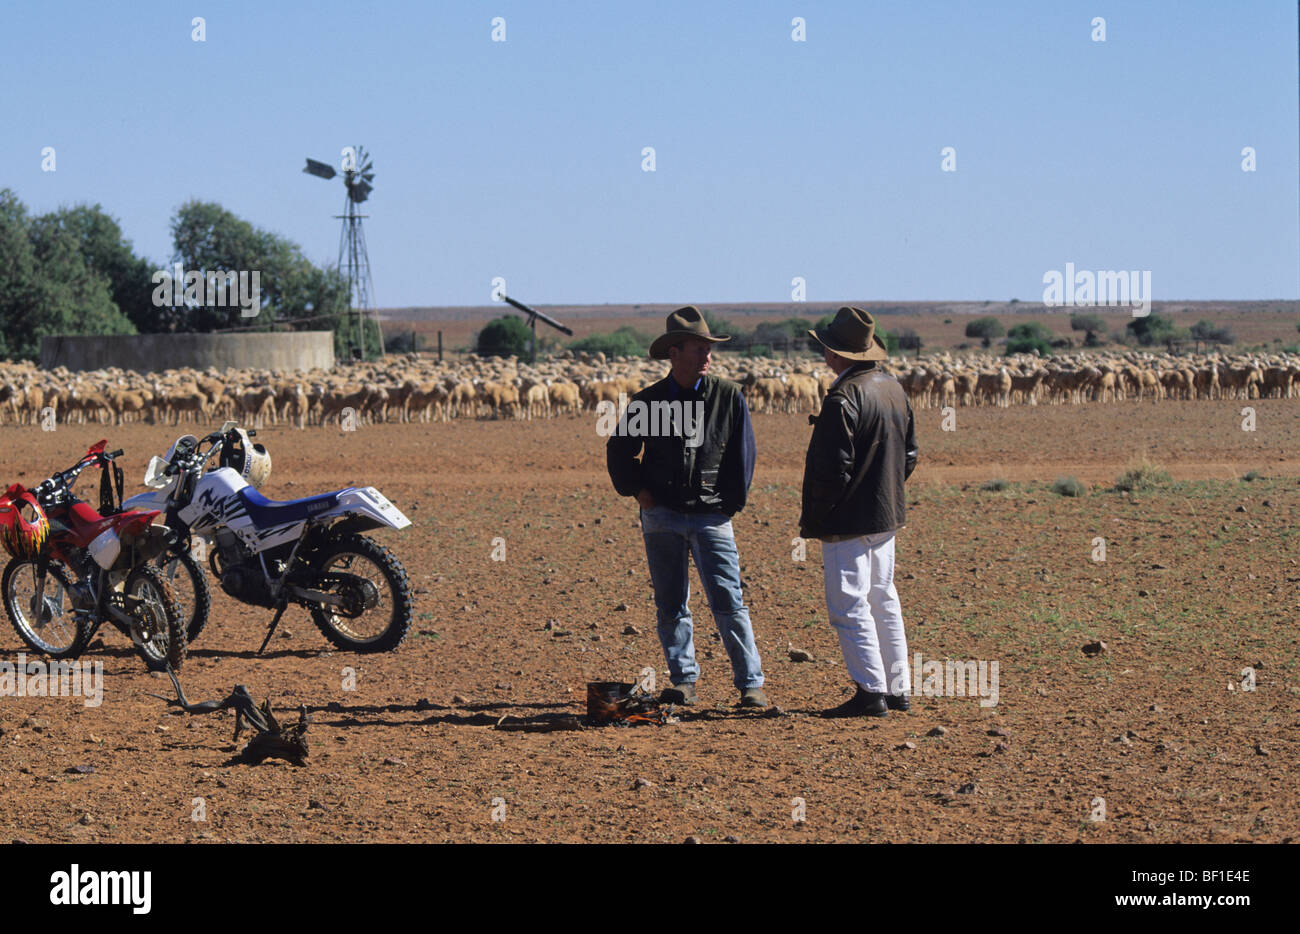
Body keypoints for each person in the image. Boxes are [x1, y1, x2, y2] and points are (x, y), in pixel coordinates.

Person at [606, 306, 768, 708]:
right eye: (698, 348)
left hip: (712, 516)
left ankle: (751, 685)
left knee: (729, 601)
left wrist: (730, 502)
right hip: (661, 517)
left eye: (709, 349)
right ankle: (683, 681)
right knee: (671, 603)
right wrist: (638, 491)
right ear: (674, 353)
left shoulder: (728, 397)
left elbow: (743, 455)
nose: (707, 356)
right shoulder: (648, 402)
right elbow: (619, 450)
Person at [799, 306, 918, 718]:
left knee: (849, 604)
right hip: (886, 516)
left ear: (834, 353)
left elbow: (833, 469)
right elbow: (910, 456)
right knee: (883, 598)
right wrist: (885, 491)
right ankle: (898, 688)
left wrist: (819, 515)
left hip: (848, 520)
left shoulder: (842, 397)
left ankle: (870, 692)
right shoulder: (894, 389)